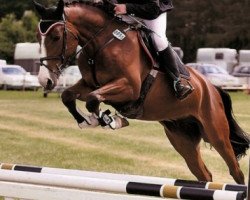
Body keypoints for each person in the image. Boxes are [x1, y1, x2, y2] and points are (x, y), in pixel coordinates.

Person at [113, 0, 193, 100]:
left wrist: (127, 8)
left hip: (153, 11)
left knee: (158, 40)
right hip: (128, 9)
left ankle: (177, 83)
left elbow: (152, 9)